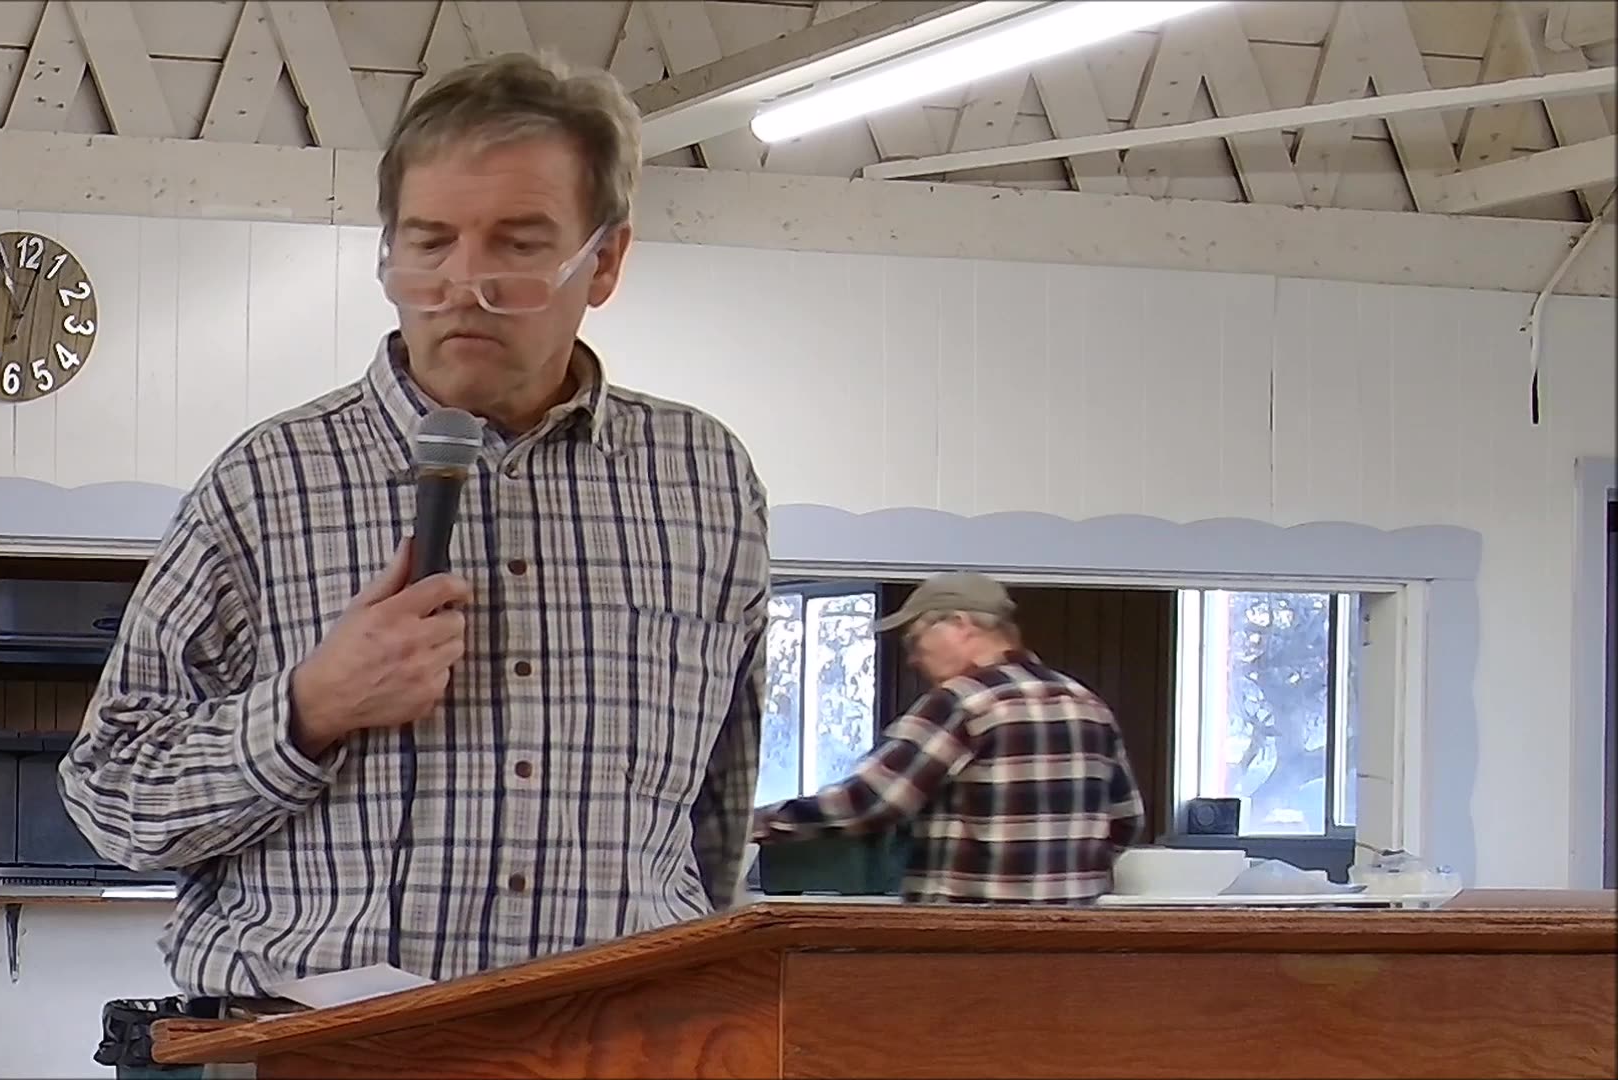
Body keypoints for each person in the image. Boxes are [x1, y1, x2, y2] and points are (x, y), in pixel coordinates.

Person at [60, 52, 770, 1000]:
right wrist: (311, 706)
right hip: (313, 1053)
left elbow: (717, 812)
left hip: (618, 1044)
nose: (463, 284)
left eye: (519, 245)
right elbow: (112, 795)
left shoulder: (705, 479)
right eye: (429, 243)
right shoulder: (269, 482)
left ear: (603, 261)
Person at [752, 572, 1144, 903]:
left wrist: (750, 825)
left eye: (914, 638)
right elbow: (1126, 822)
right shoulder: (1087, 704)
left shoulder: (963, 702)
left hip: (965, 943)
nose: (912, 658)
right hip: (1073, 945)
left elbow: (869, 801)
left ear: (959, 624)